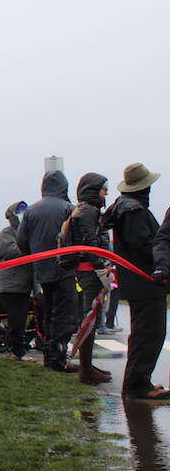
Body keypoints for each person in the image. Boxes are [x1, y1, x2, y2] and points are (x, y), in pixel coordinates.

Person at [105, 163, 170, 400]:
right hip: (145, 281)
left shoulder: (124, 207)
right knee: (148, 334)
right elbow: (143, 246)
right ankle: (137, 385)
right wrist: (163, 264)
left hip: (137, 281)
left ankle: (140, 381)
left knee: (145, 333)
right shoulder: (134, 210)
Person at [16, 171, 77, 373]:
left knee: (48, 312)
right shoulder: (69, 209)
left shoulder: (31, 211)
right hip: (65, 268)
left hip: (41, 270)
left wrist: (37, 253)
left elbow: (21, 242)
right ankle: (58, 358)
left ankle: (48, 355)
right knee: (64, 313)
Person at [64, 172, 113, 384]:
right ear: (93, 190)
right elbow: (89, 243)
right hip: (89, 271)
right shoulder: (87, 212)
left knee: (90, 318)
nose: (107, 192)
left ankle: (87, 365)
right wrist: (101, 269)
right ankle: (85, 370)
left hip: (88, 270)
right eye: (103, 188)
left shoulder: (85, 210)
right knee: (89, 319)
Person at [0, 201, 33, 360]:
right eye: (20, 212)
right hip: (9, 287)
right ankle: (18, 352)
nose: (23, 214)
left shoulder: (28, 232)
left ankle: (21, 345)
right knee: (17, 320)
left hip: (24, 285)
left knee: (22, 318)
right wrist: (32, 246)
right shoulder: (6, 233)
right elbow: (11, 252)